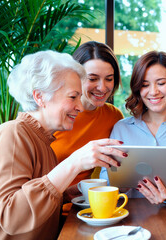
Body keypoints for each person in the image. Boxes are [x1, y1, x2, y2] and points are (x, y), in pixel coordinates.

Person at [0, 51, 126, 239]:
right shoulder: (11, 134)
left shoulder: (44, 141)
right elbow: (12, 217)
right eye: (73, 97)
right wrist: (74, 162)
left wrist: (68, 194)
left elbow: (35, 203)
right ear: (40, 97)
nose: (81, 107)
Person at [100, 51, 166, 204]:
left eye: (161, 83)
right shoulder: (121, 128)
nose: (153, 92)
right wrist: (119, 186)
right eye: (145, 85)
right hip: (127, 216)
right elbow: (104, 181)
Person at [51, 41, 124, 201]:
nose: (102, 87)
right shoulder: (54, 115)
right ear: (74, 77)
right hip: (52, 207)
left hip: (91, 206)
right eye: (93, 78)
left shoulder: (114, 117)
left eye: (109, 79)